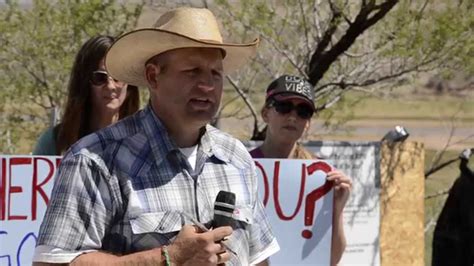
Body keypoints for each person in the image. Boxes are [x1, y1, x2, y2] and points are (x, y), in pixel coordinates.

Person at [33, 7, 279, 266]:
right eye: (192, 71)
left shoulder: (236, 158)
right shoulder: (96, 160)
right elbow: (52, 264)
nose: (207, 85)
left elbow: (258, 259)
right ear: (153, 76)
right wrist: (168, 258)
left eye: (215, 73)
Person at [250, 75, 352, 265]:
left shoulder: (321, 176)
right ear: (265, 114)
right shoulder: (242, 166)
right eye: (283, 107)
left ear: (308, 124)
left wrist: (337, 207)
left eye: (303, 111)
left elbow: (332, 258)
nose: (292, 117)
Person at [32, 35, 140, 155]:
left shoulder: (145, 143)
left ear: (130, 86)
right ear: (84, 83)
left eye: (117, 77)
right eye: (100, 78)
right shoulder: (53, 143)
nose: (110, 86)